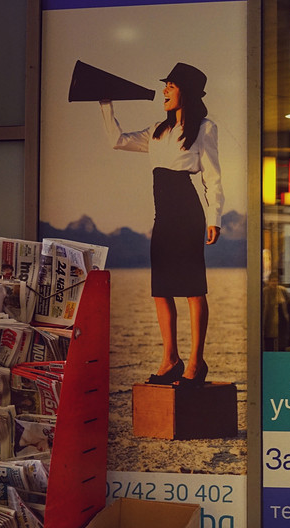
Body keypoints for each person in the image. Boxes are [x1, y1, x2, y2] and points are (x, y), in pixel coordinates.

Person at [100, 62, 223, 387]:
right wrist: (105, 102)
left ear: (188, 92)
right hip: (163, 217)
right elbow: (117, 140)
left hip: (187, 214)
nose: (165, 90)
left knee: (193, 291)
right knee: (161, 291)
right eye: (165, 85)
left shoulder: (204, 129)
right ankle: (170, 358)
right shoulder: (157, 130)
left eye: (171, 85)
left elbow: (212, 177)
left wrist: (214, 218)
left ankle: (196, 362)